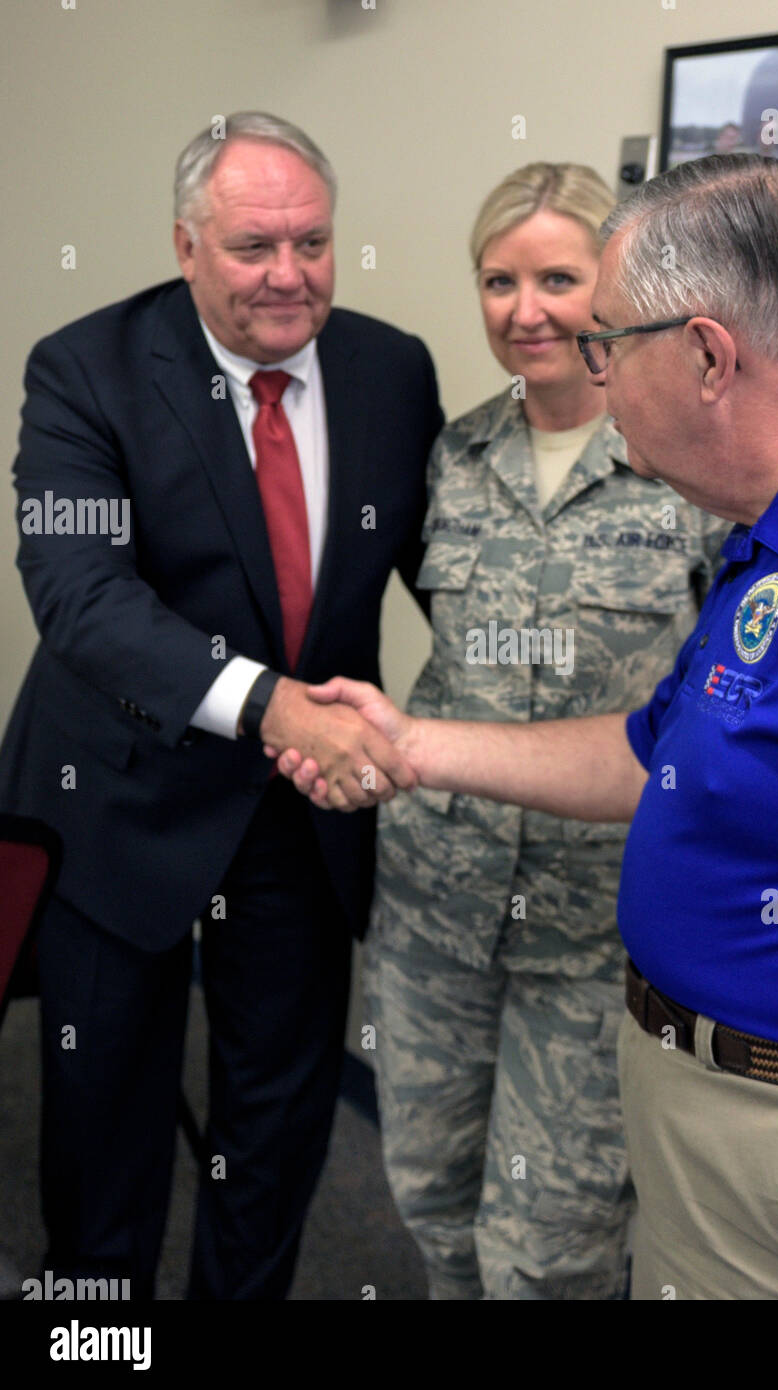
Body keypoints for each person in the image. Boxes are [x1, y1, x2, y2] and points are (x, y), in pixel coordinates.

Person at [275, 154, 778, 1301]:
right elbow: (656, 749)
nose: (589, 371)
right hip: (721, 1138)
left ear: (703, 354)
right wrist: (415, 744)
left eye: (603, 342)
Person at [0, 112, 442, 1300]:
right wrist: (272, 707)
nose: (287, 276)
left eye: (312, 242)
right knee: (104, 1128)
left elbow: (447, 566)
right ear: (187, 244)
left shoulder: (390, 369)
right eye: (253, 247)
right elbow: (82, 599)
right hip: (119, 801)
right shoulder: (84, 366)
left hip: (300, 818)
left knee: (278, 1121)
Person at [356, 162, 727, 1300]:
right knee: (426, 1196)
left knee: (546, 1256)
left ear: (611, 290)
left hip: (597, 934)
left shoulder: (687, 472)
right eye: (497, 280)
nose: (526, 311)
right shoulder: (446, 459)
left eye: (558, 278)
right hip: (435, 911)